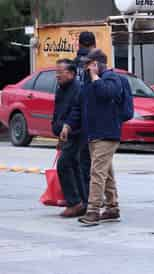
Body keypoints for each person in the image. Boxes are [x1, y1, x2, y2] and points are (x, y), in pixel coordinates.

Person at [62, 49, 123, 226]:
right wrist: (68, 125)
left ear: (96, 64)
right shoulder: (87, 84)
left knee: (96, 173)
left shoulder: (112, 79)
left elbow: (108, 93)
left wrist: (96, 77)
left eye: (88, 64)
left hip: (107, 134)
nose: (85, 68)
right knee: (106, 173)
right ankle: (112, 208)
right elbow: (79, 107)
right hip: (94, 134)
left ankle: (93, 211)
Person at [52, 59, 87, 217]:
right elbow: (58, 112)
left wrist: (67, 127)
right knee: (73, 165)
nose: (57, 75)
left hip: (76, 132)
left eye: (60, 72)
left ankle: (74, 202)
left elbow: (76, 113)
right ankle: (82, 202)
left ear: (71, 73)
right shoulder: (61, 89)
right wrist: (57, 129)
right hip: (65, 133)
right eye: (56, 72)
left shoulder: (78, 89)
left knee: (64, 164)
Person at [73, 31, 96, 202]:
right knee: (91, 162)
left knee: (79, 161)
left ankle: (82, 197)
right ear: (93, 45)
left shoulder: (73, 65)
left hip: (75, 118)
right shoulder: (96, 64)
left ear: (79, 44)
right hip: (92, 118)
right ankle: (90, 198)